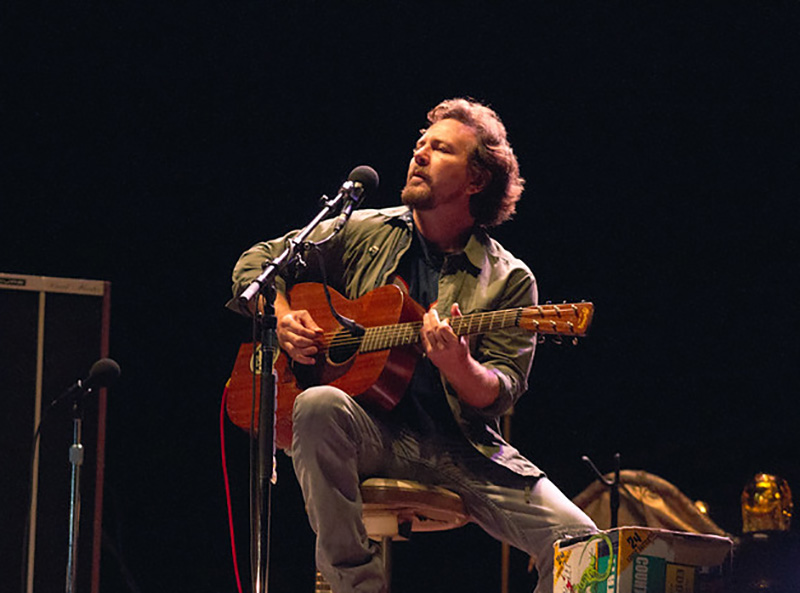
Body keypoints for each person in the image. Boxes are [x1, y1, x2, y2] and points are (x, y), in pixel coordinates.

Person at [229, 98, 597, 593]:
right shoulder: (362, 232)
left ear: (476, 181)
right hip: (367, 431)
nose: (419, 154)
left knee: (584, 545)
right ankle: (358, 586)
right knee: (316, 403)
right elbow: (260, 261)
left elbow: (500, 390)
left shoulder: (510, 279)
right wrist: (283, 315)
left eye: (440, 149)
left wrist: (459, 364)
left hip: (459, 447)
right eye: (420, 144)